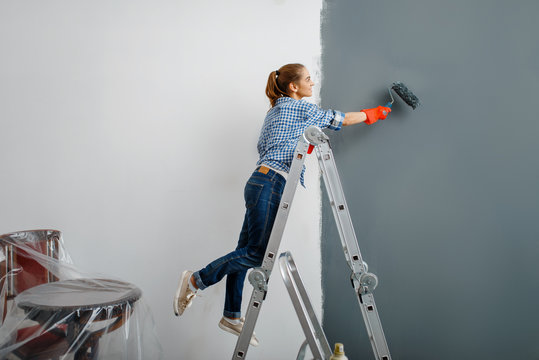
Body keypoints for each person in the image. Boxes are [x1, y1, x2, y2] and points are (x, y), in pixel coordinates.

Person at [173, 63, 391, 345]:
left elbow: (270, 146)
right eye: (309, 80)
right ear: (293, 86)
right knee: (257, 254)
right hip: (270, 183)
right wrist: (372, 114)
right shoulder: (299, 108)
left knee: (244, 251)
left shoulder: (274, 111)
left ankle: (231, 315)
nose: (313, 84)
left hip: (259, 182)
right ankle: (195, 281)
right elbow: (341, 120)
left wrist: (300, 145)